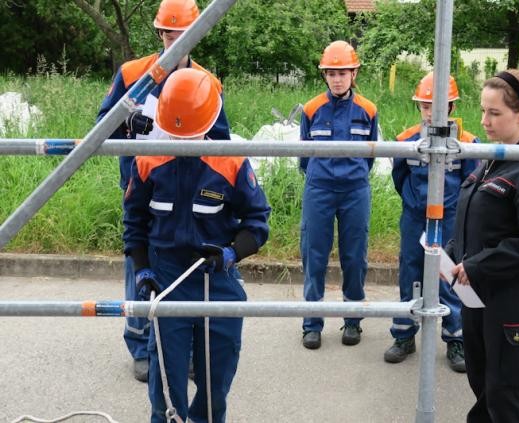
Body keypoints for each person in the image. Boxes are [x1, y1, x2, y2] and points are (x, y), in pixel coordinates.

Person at [123, 68, 270, 422]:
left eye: (189, 135)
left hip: (215, 277)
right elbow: (134, 223)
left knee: (217, 375)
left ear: (209, 122)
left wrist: (231, 253)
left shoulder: (231, 162)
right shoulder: (147, 162)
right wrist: (142, 269)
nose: (183, 143)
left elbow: (257, 222)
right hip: (167, 278)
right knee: (165, 379)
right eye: (176, 136)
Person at [96, 0, 231, 382]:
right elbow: (102, 125)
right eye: (168, 35)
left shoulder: (207, 82)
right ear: (159, 33)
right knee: (140, 262)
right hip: (142, 186)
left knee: (184, 267)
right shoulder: (132, 73)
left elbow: (220, 139)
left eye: (182, 35)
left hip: (189, 191)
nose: (174, 42)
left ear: (196, 35)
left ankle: (179, 347)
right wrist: (128, 121)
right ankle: (141, 345)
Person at [447, 69, 519, 422]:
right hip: (478, 297)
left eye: (494, 113)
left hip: (514, 303)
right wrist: (451, 255)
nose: (484, 121)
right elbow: (483, 225)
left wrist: (477, 265)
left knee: (510, 400)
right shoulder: (493, 159)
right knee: (486, 393)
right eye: (483, 111)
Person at [384, 72, 479, 371]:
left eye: (435, 107)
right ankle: (404, 335)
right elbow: (399, 177)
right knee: (410, 273)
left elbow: (471, 183)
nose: (429, 113)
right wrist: (414, 203)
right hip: (415, 217)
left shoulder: (467, 142)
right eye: (425, 106)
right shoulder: (406, 140)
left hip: (450, 219)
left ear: (451, 107)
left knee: (451, 275)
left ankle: (456, 338)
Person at [299, 40, 378, 349]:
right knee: (314, 255)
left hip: (355, 190)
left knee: (355, 257)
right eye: (331, 73)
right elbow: (304, 156)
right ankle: (311, 324)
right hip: (319, 189)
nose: (336, 79)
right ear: (324, 75)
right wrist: (320, 177)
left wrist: (353, 176)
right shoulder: (311, 109)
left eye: (342, 73)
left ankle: (353, 320)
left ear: (354, 73)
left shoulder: (368, 110)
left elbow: (370, 157)